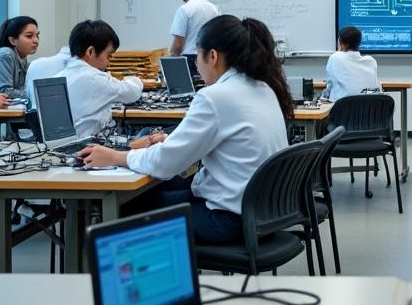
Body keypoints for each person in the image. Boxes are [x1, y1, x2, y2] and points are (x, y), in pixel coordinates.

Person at [80, 15, 292, 246]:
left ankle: (129, 279)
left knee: (128, 205)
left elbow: (166, 163)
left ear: (213, 56)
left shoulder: (215, 97)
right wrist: (172, 139)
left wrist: (114, 156)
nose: (196, 66)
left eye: (197, 57)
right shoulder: (262, 87)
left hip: (227, 221)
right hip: (263, 215)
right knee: (153, 194)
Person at [60, 20, 143, 138]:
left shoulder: (60, 75)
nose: (108, 62)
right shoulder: (94, 78)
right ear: (91, 52)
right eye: (108, 55)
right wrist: (135, 79)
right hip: (88, 146)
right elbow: (132, 93)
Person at [169, 0, 219, 76]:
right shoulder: (214, 9)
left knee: (188, 91)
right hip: (210, 59)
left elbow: (177, 45)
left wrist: (172, 59)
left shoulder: (184, 9)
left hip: (189, 61)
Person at [323, 25, 380, 100]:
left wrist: (340, 49)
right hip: (367, 110)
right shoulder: (371, 61)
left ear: (340, 42)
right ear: (359, 42)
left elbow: (329, 87)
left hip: (342, 110)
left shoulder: (335, 57)